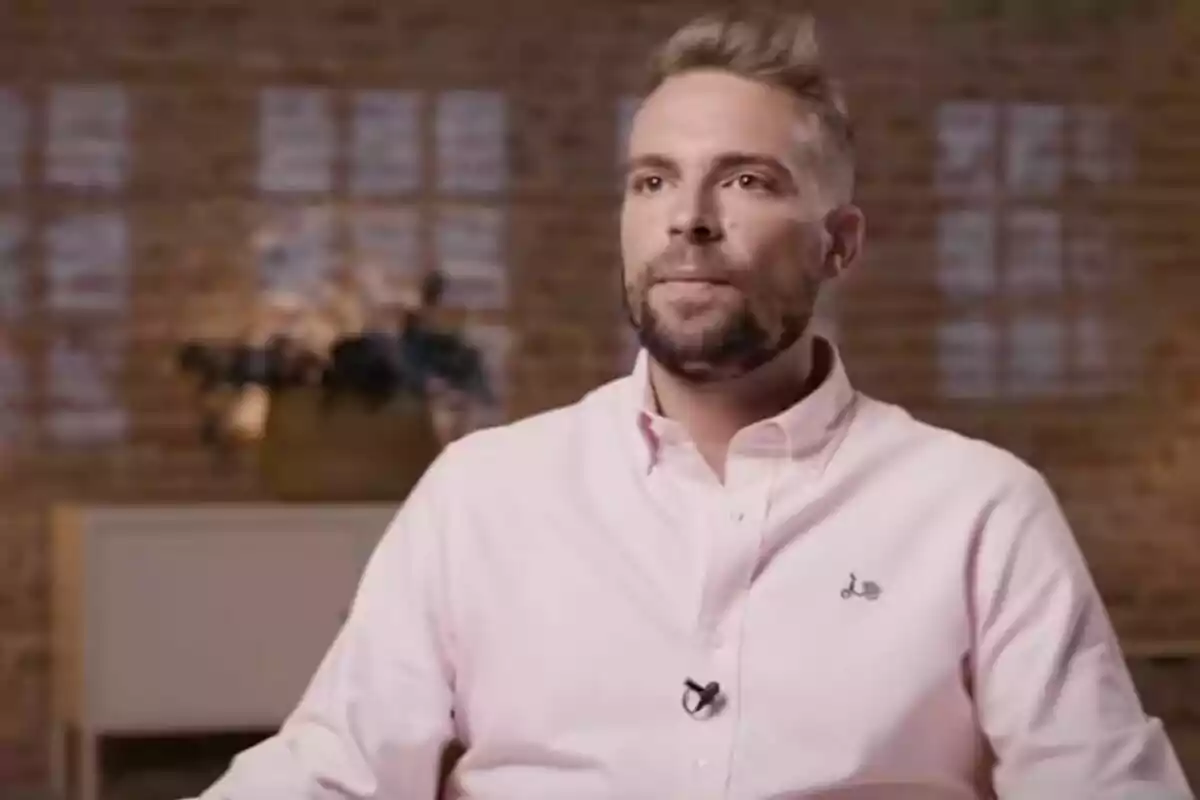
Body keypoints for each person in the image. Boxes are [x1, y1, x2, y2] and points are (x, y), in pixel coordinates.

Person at [187, 10, 1194, 799]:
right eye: (653, 179)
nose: (688, 219)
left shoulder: (980, 508)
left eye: (747, 179)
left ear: (839, 243)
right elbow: (335, 767)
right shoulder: (481, 494)